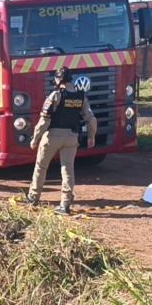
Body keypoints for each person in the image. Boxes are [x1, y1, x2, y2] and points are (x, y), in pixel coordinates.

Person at [27, 66, 97, 215]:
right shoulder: (80, 96)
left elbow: (44, 120)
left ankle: (33, 196)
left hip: (53, 136)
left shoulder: (56, 95)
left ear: (58, 79)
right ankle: (65, 204)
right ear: (71, 80)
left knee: (41, 166)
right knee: (67, 169)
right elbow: (91, 119)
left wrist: (35, 138)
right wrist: (91, 136)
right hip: (72, 137)